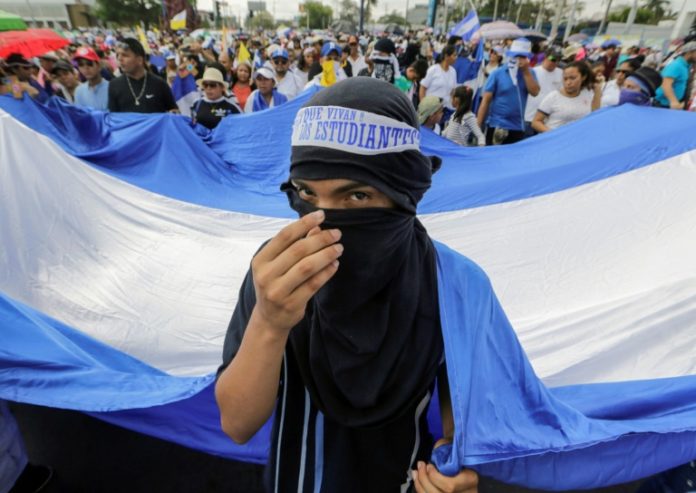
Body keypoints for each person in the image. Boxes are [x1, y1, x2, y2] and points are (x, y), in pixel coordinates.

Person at [215, 76, 479, 493]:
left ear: (403, 194)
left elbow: (464, 427)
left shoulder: (451, 282)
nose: (324, 223)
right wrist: (270, 321)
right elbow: (237, 424)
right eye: (307, 193)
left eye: (356, 197)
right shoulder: (279, 270)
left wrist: (457, 475)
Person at [477, 38, 540, 145]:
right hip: (497, 125)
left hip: (517, 127)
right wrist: (477, 126)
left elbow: (535, 92)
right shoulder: (498, 73)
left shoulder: (530, 73)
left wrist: (525, 72)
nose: (519, 60)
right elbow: (485, 101)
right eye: (516, 56)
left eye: (523, 57)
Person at [108, 38, 177, 113]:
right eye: (118, 55)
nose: (119, 58)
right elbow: (113, 117)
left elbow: (173, 111)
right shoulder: (114, 85)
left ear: (140, 60)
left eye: (125, 55)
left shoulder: (160, 84)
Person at [531, 61, 602, 133]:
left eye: (572, 78)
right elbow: (536, 122)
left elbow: (595, 114)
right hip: (556, 142)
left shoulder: (587, 94)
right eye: (565, 79)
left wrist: (597, 90)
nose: (568, 82)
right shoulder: (553, 97)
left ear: (583, 77)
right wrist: (554, 134)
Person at [524, 47, 563, 136]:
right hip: (529, 116)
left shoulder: (562, 74)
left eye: (558, 60)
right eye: (553, 59)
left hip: (548, 120)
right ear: (545, 57)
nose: (555, 62)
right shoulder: (533, 71)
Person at [419, 45, 458, 124]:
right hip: (430, 110)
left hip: (444, 110)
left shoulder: (453, 71)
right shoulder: (433, 69)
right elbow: (422, 88)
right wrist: (423, 106)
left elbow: (453, 91)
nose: (456, 58)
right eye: (454, 55)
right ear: (446, 56)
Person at [654, 41, 696, 110]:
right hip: (663, 105)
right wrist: (674, 102)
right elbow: (665, 84)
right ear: (690, 52)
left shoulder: (686, 66)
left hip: (670, 104)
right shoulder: (677, 65)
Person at [73, 46, 109, 111]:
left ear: (99, 65)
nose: (85, 68)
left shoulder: (112, 88)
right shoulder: (79, 91)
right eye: (81, 65)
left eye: (89, 64)